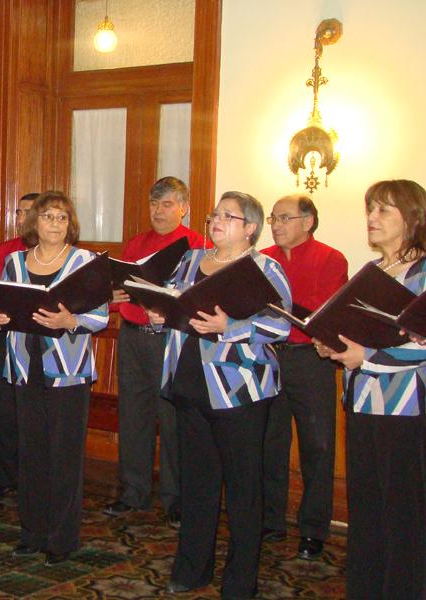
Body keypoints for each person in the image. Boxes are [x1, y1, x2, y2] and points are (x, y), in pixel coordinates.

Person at [148, 191, 291, 598]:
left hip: (240, 392)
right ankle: (193, 568)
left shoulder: (264, 268)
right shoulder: (191, 260)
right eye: (214, 215)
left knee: (244, 489)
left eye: (228, 216)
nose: (216, 222)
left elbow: (281, 327)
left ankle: (241, 580)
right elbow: (176, 307)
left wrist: (231, 327)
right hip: (189, 385)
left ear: (249, 228)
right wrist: (162, 314)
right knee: (197, 484)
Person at [314, 180, 426, 599]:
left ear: (411, 218)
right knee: (367, 508)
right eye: (370, 209)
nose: (371, 218)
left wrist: (370, 357)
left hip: (406, 407)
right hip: (362, 401)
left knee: (403, 512)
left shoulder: (423, 273)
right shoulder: (374, 272)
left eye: (383, 211)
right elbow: (360, 336)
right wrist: (334, 343)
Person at [0, 191, 109, 566]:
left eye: (61, 217)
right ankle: (32, 532)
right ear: (33, 223)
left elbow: (101, 315)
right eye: (47, 216)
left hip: (69, 373)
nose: (54, 223)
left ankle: (62, 537)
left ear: (69, 224)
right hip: (25, 369)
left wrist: (70, 321)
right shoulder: (14, 262)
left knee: (64, 456)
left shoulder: (84, 262)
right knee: (33, 453)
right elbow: (0, 309)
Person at [104, 176, 205, 528]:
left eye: (166, 204)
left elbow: (199, 300)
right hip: (133, 336)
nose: (158, 211)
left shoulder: (197, 247)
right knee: (134, 416)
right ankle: (133, 492)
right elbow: (120, 289)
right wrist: (113, 297)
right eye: (153, 204)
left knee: (174, 418)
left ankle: (176, 498)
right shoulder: (136, 243)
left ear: (184, 208)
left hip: (171, 339)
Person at [260, 194, 347, 560]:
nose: (276, 225)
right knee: (270, 441)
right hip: (270, 356)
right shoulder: (262, 259)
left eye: (284, 218)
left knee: (317, 445)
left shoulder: (331, 258)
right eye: (272, 218)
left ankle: (313, 529)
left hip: (311, 359)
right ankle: (271, 520)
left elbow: (324, 310)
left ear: (307, 221)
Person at [0, 191, 38, 499]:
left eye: (29, 212)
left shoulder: (50, 253)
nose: (22, 218)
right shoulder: (5, 250)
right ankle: (3, 475)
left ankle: (32, 477)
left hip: (36, 337)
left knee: (32, 410)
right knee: (5, 407)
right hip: (3, 333)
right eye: (18, 212)